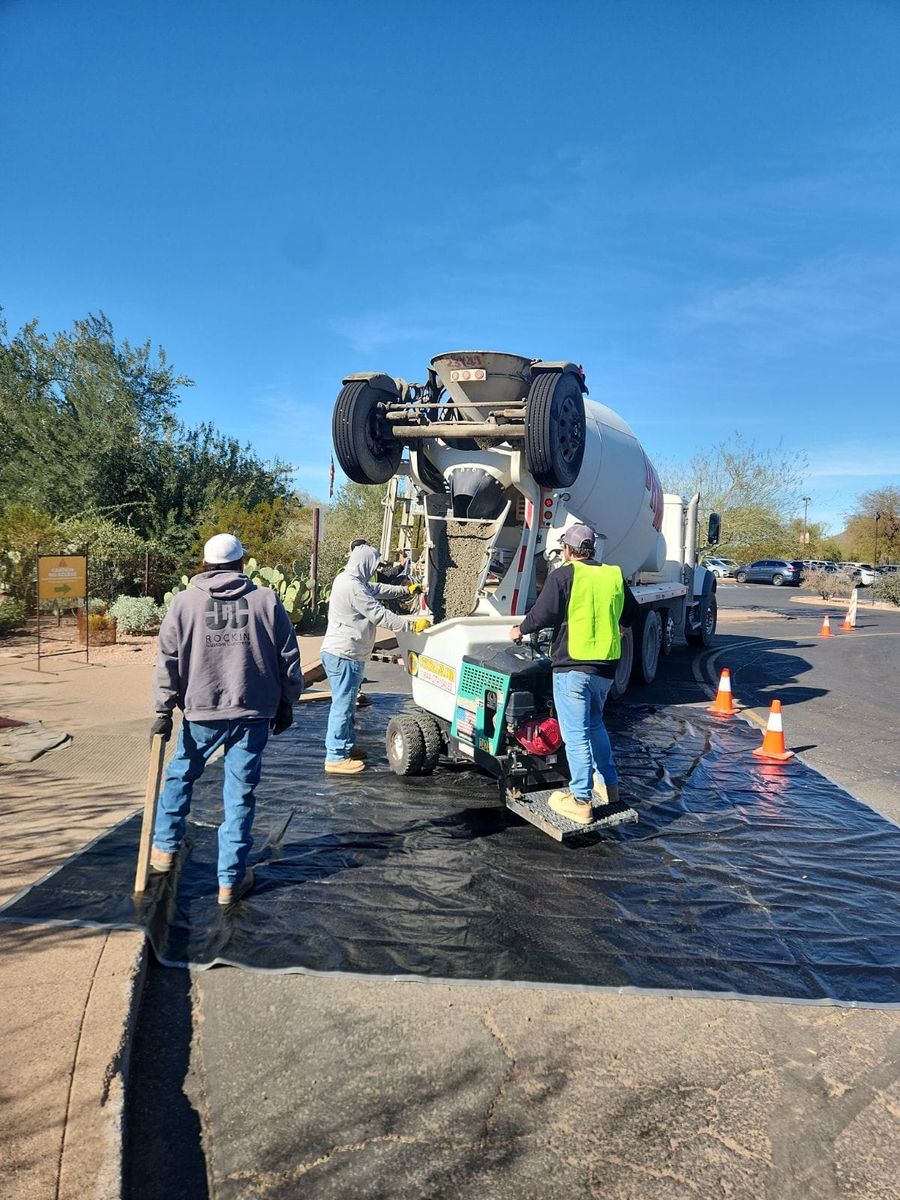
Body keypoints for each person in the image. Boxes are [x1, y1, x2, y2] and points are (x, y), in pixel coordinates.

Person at [149, 533, 303, 905]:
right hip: (252, 712)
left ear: (204, 565)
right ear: (241, 564)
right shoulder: (266, 600)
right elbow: (289, 657)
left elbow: (167, 659)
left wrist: (162, 710)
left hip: (202, 710)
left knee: (180, 775)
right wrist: (287, 703)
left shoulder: (184, 604)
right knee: (240, 793)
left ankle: (164, 851)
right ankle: (230, 881)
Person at [508, 523, 638, 825]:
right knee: (595, 725)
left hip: (572, 667)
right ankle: (609, 786)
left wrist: (519, 630)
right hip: (605, 668)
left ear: (568, 550)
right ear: (593, 549)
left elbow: (542, 614)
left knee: (575, 734)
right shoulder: (613, 575)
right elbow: (631, 614)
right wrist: (621, 629)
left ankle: (580, 799)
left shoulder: (564, 575)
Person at [321, 542, 426, 774]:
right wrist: (408, 624)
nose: (374, 569)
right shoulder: (352, 587)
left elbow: (377, 589)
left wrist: (406, 590)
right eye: (373, 564)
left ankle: (345, 747)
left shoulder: (350, 580)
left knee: (347, 705)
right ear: (365, 563)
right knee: (342, 705)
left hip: (345, 652)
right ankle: (335, 756)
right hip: (344, 654)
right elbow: (378, 614)